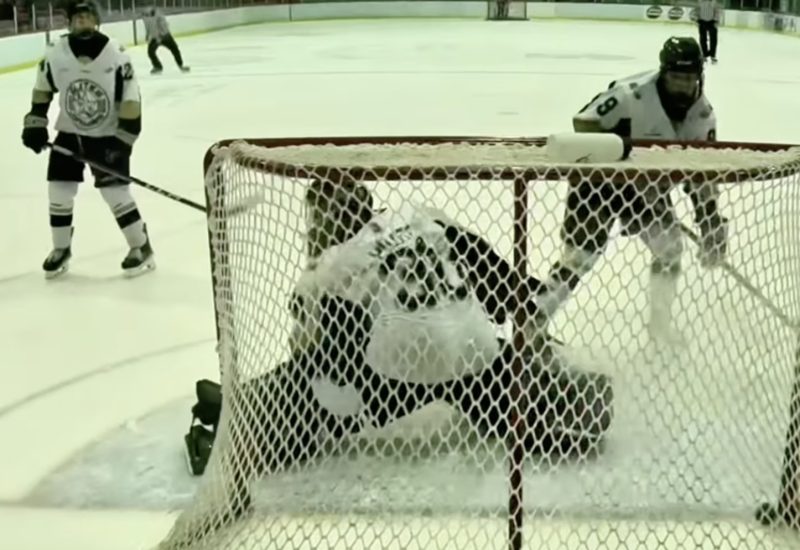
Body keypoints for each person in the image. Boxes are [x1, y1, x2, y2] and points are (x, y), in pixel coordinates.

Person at [181, 177, 615, 527]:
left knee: (315, 384)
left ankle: (237, 422)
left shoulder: (332, 264)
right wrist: (524, 343)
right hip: (474, 356)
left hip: (393, 379)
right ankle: (559, 397)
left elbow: (323, 352)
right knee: (535, 387)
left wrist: (317, 393)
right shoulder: (423, 217)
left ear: (327, 219)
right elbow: (500, 283)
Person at [533, 36, 727, 343]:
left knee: (671, 248)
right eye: (675, 78)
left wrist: (711, 222)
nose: (681, 87)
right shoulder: (630, 95)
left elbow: (700, 175)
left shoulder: (703, 117)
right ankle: (535, 319)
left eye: (688, 80)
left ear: (699, 78)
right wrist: (620, 157)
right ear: (663, 74)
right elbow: (584, 122)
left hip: (646, 192)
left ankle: (659, 326)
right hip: (599, 185)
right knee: (580, 256)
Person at [21, 0, 154, 278]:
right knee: (58, 190)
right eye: (78, 18)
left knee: (115, 193)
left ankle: (141, 246)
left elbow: (131, 97)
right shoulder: (56, 53)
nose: (84, 23)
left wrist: (124, 141)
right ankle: (61, 249)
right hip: (69, 133)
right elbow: (42, 88)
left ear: (97, 21)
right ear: (70, 22)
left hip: (107, 136)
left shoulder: (115, 54)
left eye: (88, 18)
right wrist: (36, 122)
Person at [142, 7, 189, 74]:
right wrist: (147, 34)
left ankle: (180, 65)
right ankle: (158, 66)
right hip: (155, 37)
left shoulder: (159, 16)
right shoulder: (145, 17)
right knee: (150, 52)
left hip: (165, 36)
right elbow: (148, 26)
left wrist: (160, 37)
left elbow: (163, 26)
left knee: (174, 49)